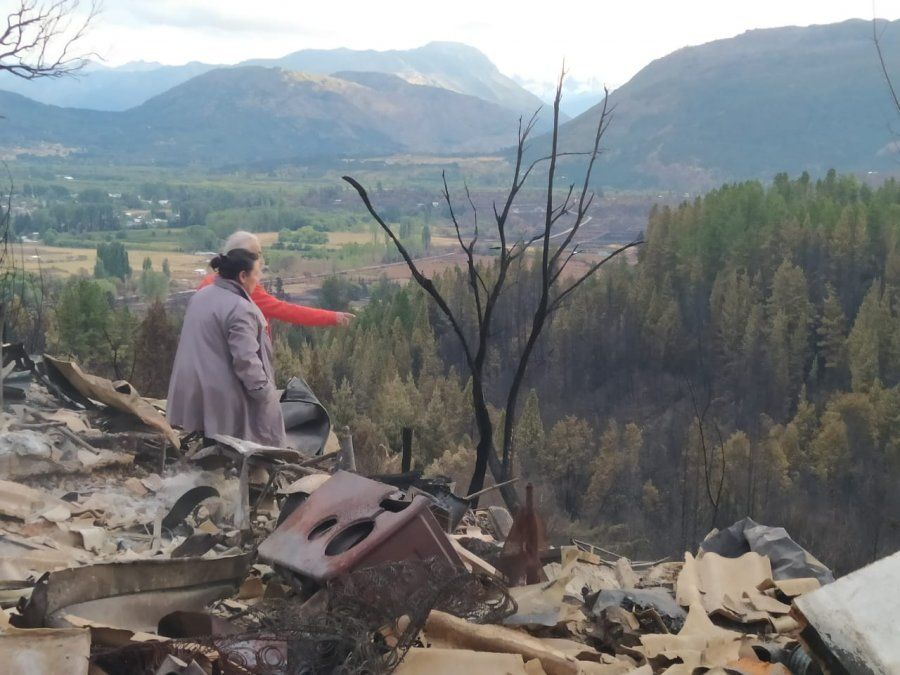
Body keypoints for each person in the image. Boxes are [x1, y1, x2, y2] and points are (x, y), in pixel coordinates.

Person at [168, 248, 286, 447]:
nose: (258, 280)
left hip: (189, 385)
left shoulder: (200, 296)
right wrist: (265, 393)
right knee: (264, 417)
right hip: (219, 394)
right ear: (242, 276)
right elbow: (246, 361)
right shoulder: (241, 309)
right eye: (256, 274)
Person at [199, 231, 353, 328]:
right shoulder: (246, 289)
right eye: (256, 255)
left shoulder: (208, 283)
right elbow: (287, 311)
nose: (260, 260)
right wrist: (332, 317)